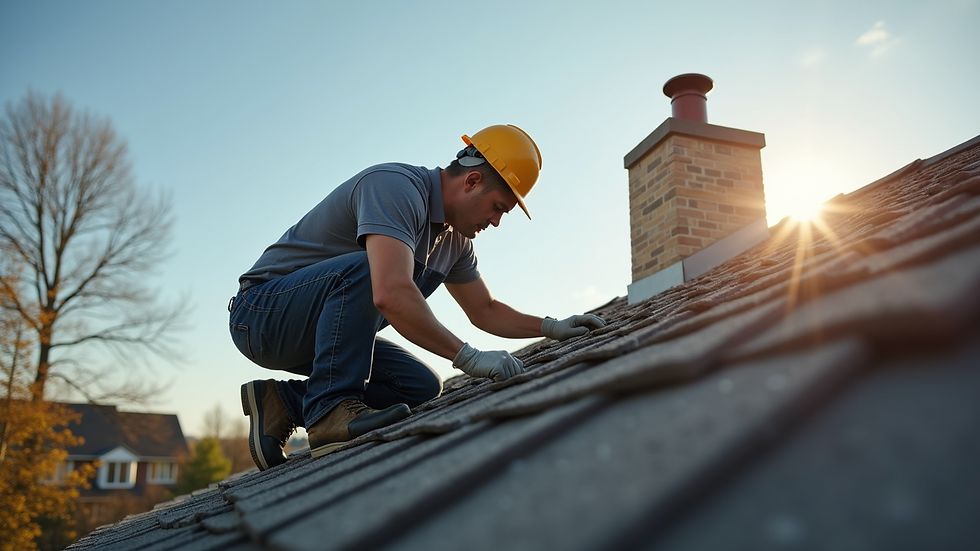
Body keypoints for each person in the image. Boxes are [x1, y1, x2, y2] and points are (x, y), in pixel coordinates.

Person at [228, 125, 605, 471]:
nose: (496, 222)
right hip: (261, 314)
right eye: (498, 208)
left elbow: (485, 310)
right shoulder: (396, 188)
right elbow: (390, 292)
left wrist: (551, 327)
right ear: (473, 181)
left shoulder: (456, 241)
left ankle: (282, 403)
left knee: (419, 386)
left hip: (319, 335)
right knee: (368, 268)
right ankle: (328, 410)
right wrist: (468, 357)